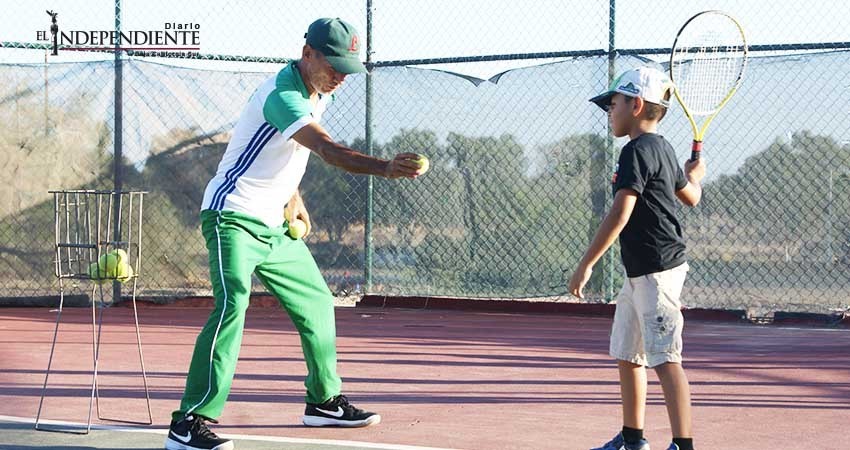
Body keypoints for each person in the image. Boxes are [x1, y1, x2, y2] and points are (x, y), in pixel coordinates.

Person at [165, 17, 424, 450]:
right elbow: (324, 148)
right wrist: (383, 167)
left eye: (347, 67)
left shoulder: (316, 90)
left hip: (273, 223)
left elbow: (281, 150)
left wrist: (291, 194)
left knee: (318, 301)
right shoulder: (282, 94)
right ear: (309, 55)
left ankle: (323, 403)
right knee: (232, 306)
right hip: (232, 217)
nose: (341, 76)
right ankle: (188, 422)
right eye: (334, 65)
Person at [569, 67, 705, 450]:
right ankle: (632, 440)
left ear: (637, 104)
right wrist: (695, 175)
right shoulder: (662, 148)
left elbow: (619, 213)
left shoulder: (635, 151)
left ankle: (684, 445)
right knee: (629, 354)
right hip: (640, 271)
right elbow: (691, 196)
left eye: (613, 104)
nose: (609, 112)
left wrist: (586, 264)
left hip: (658, 272)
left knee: (665, 359)